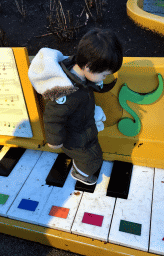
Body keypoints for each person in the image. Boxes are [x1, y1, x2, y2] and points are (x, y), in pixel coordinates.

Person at [28, 28, 123, 185]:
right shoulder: (66, 91)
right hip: (74, 137)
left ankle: (82, 167)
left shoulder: (81, 76)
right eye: (104, 74)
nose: (105, 78)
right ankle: (80, 174)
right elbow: (53, 117)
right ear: (88, 66)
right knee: (90, 158)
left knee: (93, 152)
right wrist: (54, 141)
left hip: (84, 127)